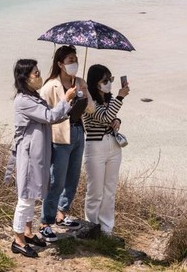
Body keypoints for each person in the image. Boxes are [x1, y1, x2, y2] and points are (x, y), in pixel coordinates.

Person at [7, 59, 77, 258]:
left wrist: (71, 103)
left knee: (33, 194)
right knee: (26, 198)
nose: (39, 76)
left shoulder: (33, 96)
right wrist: (65, 100)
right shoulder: (23, 100)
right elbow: (48, 116)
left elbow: (52, 116)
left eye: (38, 72)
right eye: (35, 74)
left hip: (37, 154)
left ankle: (27, 232)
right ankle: (18, 240)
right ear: (25, 78)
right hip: (29, 156)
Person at [39, 45, 94, 241]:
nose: (75, 63)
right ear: (60, 64)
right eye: (71, 60)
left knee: (73, 176)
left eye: (76, 59)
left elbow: (91, 110)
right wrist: (67, 96)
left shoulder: (80, 82)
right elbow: (44, 114)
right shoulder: (50, 86)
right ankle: (46, 221)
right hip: (60, 136)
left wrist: (85, 93)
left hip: (78, 131)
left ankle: (62, 213)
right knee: (56, 180)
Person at [82, 64, 129, 235]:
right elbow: (104, 116)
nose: (108, 83)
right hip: (95, 145)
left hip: (113, 145)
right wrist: (120, 97)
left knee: (110, 190)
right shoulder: (88, 101)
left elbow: (111, 117)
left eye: (110, 79)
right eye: (105, 80)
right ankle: (91, 227)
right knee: (95, 190)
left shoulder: (107, 100)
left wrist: (118, 121)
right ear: (95, 83)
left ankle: (106, 230)